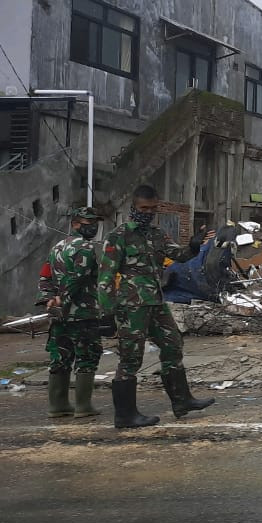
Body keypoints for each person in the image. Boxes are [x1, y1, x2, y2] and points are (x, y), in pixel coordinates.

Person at [97, 184, 214, 429]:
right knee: (131, 358)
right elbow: (106, 276)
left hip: (156, 302)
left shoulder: (156, 234)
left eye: (153, 208)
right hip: (132, 306)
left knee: (173, 344)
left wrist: (193, 246)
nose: (148, 212)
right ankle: (125, 415)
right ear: (134, 207)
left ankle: (182, 401)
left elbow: (179, 256)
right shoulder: (119, 236)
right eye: (144, 208)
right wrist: (106, 313)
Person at [38, 206, 110, 418]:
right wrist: (63, 298)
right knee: (87, 356)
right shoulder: (86, 248)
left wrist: (49, 300)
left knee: (60, 356)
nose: (93, 227)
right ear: (75, 224)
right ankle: (83, 406)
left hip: (59, 315)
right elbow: (76, 278)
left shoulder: (57, 247)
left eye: (95, 223)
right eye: (88, 223)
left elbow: (45, 276)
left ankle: (57, 405)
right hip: (82, 314)